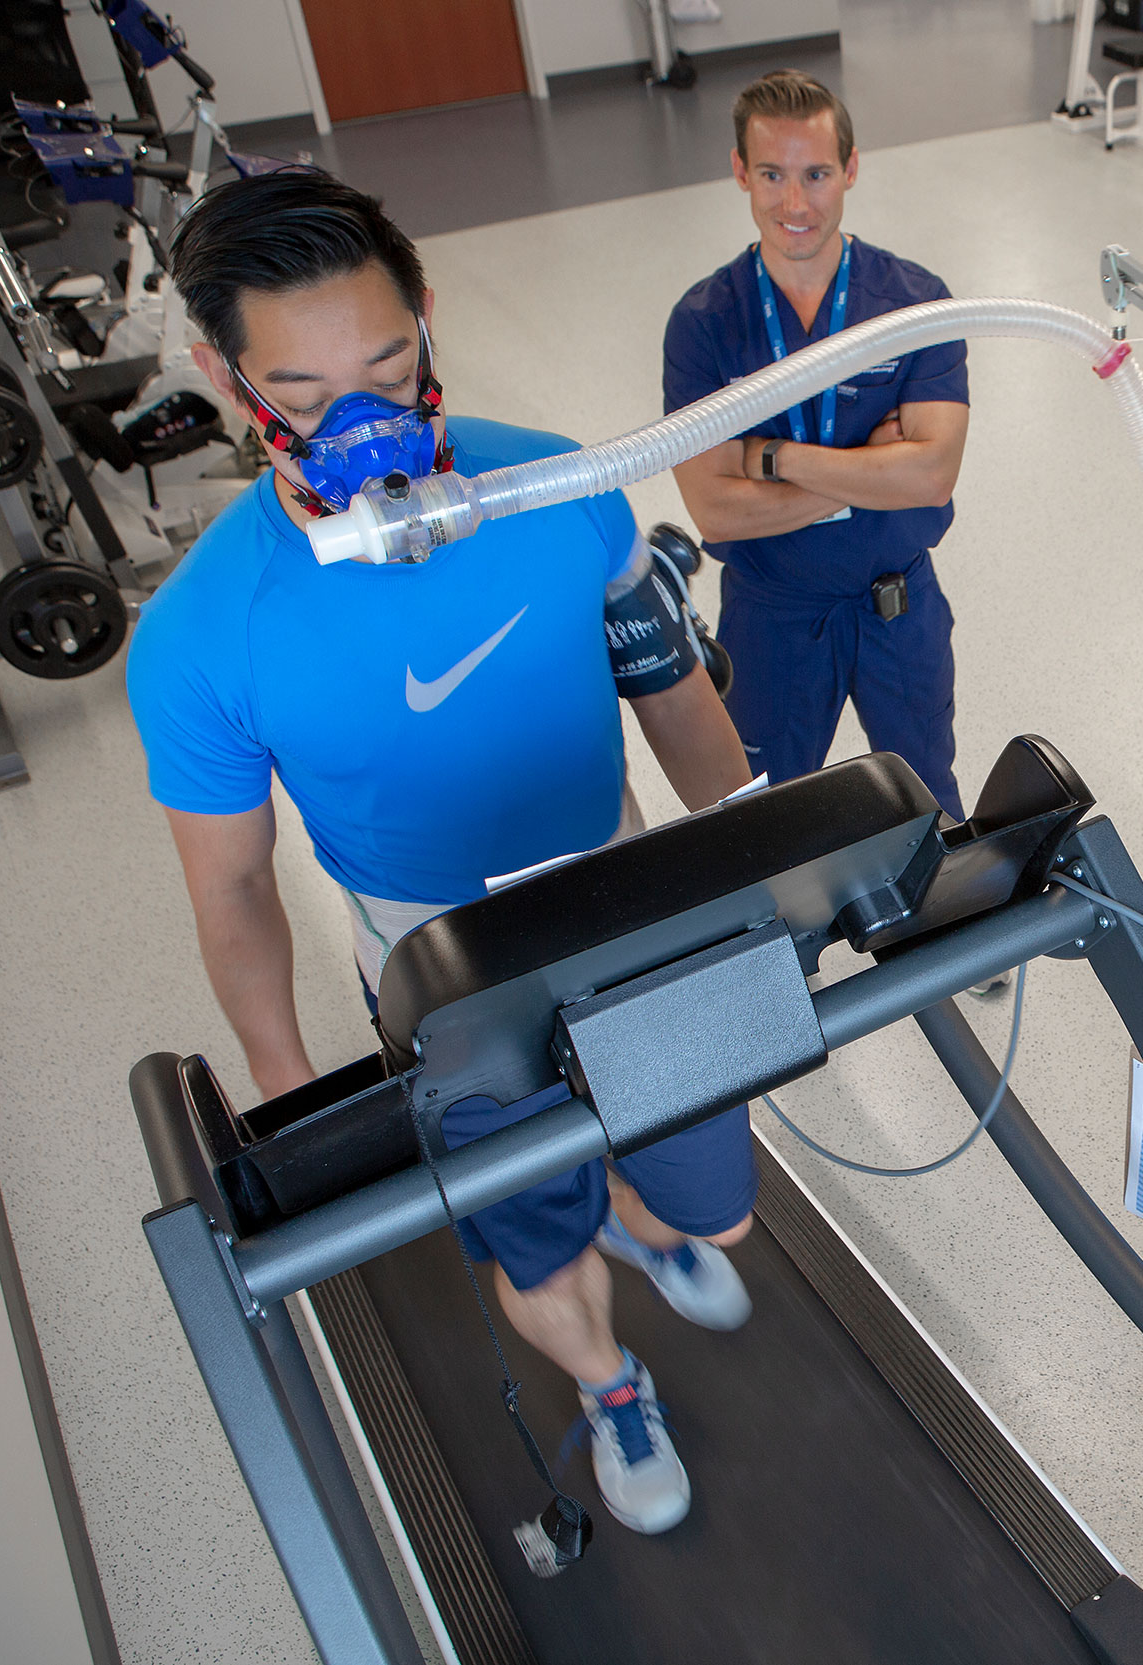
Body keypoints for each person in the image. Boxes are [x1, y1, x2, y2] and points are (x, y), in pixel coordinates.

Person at [126, 169, 757, 1538]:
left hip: (631, 904)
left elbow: (678, 703)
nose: (360, 422)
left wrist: (759, 862)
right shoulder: (201, 635)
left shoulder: (565, 487)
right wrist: (292, 1085)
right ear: (223, 377)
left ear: (426, 318)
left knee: (721, 1211)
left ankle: (648, 1223)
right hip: (442, 975)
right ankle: (608, 1379)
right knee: (532, 1232)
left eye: (388, 362)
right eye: (299, 391)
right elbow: (232, 884)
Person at [664, 69, 973, 817]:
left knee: (926, 807)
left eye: (816, 174)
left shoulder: (913, 301)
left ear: (851, 169)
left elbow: (932, 475)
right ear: (740, 171)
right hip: (772, 618)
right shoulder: (705, 322)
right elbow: (717, 513)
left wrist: (771, 459)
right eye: (771, 174)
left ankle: (925, 937)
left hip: (897, 608)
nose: (794, 203)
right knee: (763, 827)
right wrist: (872, 467)